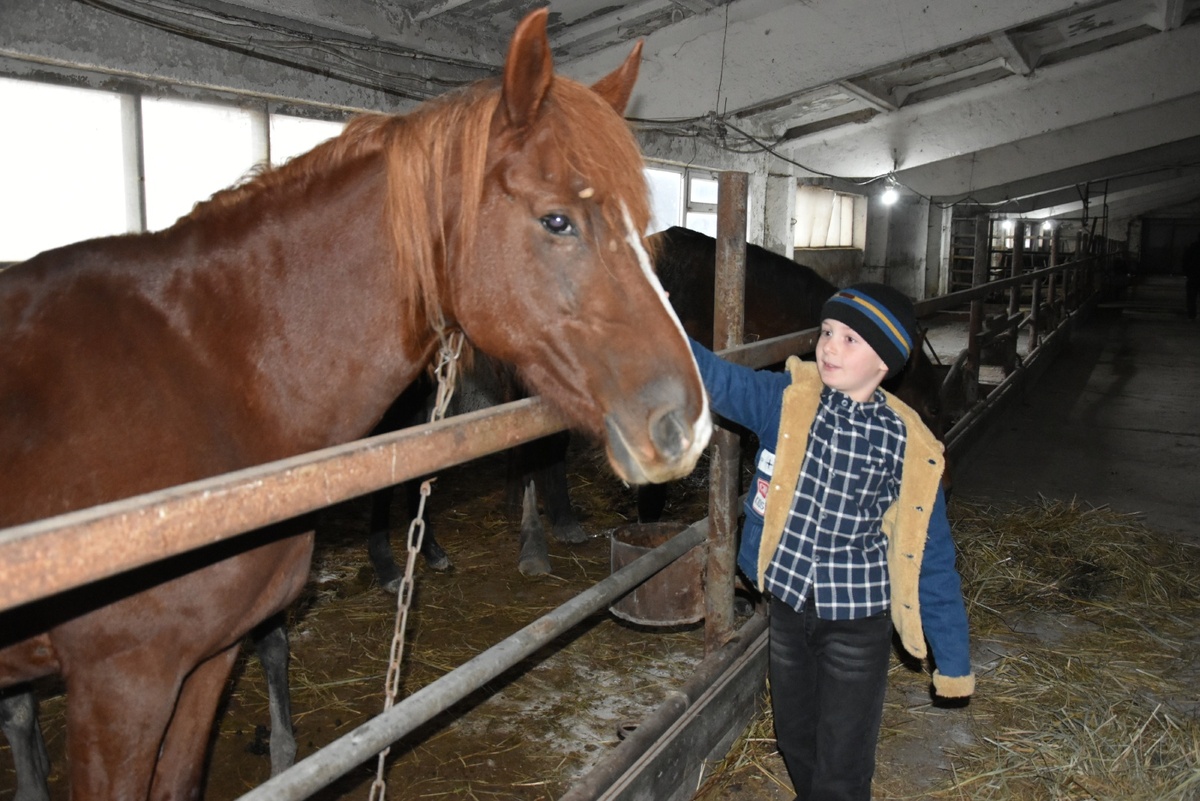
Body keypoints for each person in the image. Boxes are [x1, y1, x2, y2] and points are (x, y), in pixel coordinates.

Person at [688, 282, 973, 801]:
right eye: (826, 332)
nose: (829, 347)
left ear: (885, 363)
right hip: (791, 611)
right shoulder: (787, 402)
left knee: (843, 757)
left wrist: (952, 660)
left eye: (850, 340)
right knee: (795, 737)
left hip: (858, 622)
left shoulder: (909, 447)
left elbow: (930, 559)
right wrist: (657, 324)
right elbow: (717, 379)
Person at [1183, 234, 1200, 320]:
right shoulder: (1192, 249)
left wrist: (1187, 273)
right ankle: (1192, 314)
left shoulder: (1192, 248)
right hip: (1193, 276)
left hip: (1193, 276)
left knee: (1191, 297)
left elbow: (1185, 261)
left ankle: (1192, 314)